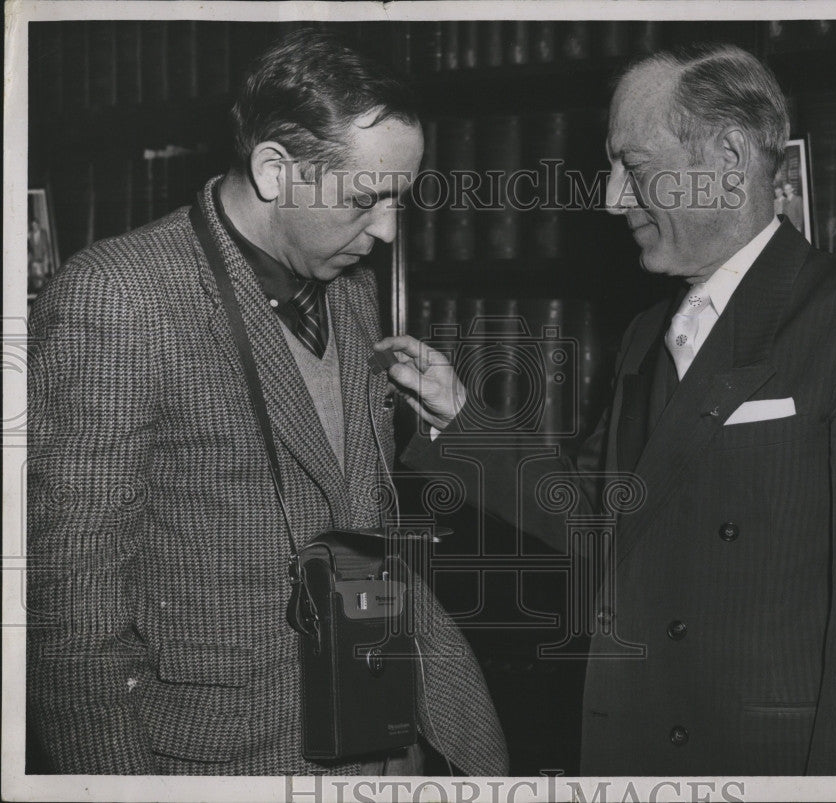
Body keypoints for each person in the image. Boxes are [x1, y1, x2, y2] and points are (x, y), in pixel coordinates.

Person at [377, 44, 836, 775]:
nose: (613, 198)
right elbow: (596, 515)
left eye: (635, 167)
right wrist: (459, 416)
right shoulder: (648, 334)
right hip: (634, 747)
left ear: (729, 155)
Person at [27, 29, 506, 776]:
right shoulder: (116, 296)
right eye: (365, 199)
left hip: (389, 723)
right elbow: (72, 620)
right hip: (230, 759)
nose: (385, 231)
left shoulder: (348, 284)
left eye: (399, 200)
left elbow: (352, 510)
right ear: (275, 170)